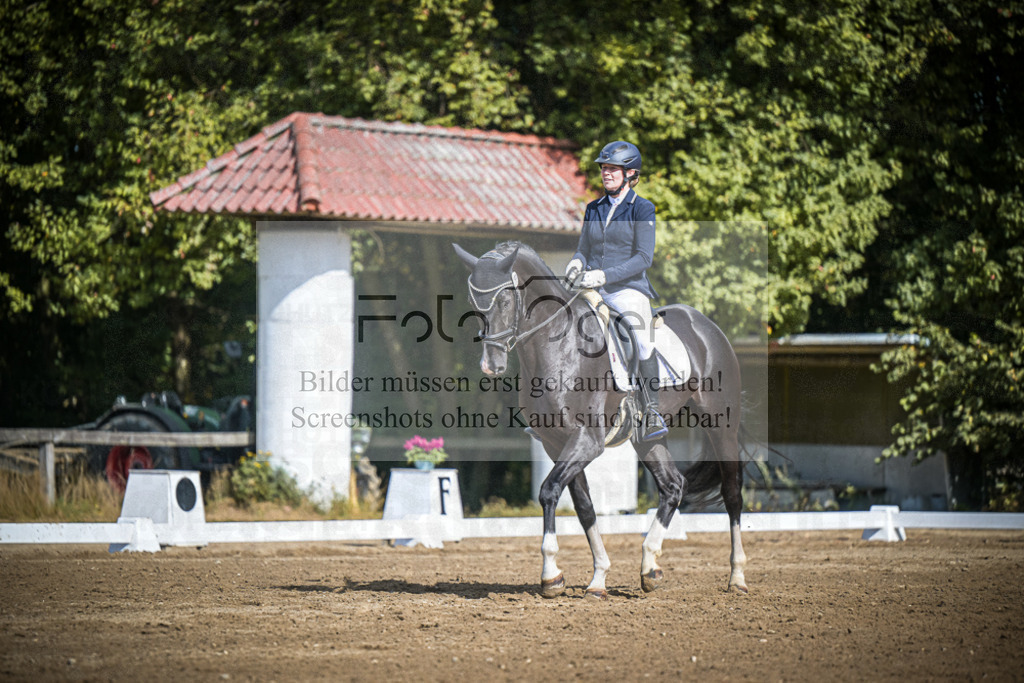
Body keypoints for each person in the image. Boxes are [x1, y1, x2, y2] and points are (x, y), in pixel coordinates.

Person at [565, 140, 668, 441]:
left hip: (627, 290)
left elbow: (643, 258)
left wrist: (603, 275)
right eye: (604, 168)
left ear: (630, 173)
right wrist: (575, 263)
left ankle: (651, 412)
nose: (606, 173)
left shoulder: (643, 208)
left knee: (643, 340)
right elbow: (583, 249)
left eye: (613, 169)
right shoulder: (594, 208)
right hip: (590, 287)